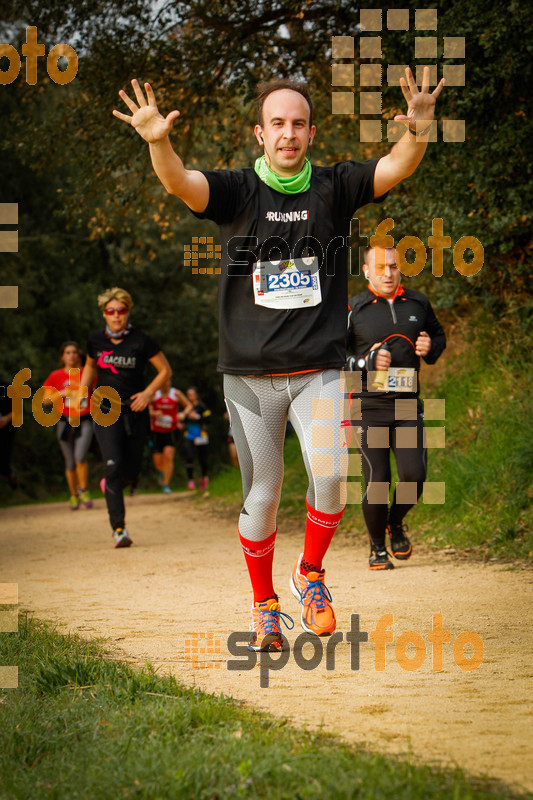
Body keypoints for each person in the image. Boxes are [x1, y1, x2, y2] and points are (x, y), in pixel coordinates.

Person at [113, 67, 445, 648]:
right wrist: (157, 141)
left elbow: (396, 166)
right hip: (248, 377)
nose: (288, 133)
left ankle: (309, 573)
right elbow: (179, 184)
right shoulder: (239, 191)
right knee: (263, 494)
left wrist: (416, 130)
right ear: (259, 134)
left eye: (298, 123)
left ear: (311, 133)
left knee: (332, 478)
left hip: (317, 370)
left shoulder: (335, 187)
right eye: (277, 124)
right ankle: (264, 603)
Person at [346, 246, 446, 570]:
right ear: (367, 271)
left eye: (393, 266)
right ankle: (377, 547)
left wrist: (430, 347)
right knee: (378, 481)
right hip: (368, 407)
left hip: (405, 405)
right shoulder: (354, 308)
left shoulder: (417, 302)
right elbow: (333, 356)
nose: (387, 273)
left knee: (414, 476)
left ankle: (395, 522)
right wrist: (366, 361)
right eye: (380, 267)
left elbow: (437, 335)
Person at [80, 287, 171, 547]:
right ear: (104, 314)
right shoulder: (95, 341)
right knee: (113, 465)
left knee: (131, 469)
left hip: (136, 408)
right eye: (111, 311)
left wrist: (149, 393)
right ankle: (119, 529)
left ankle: (121, 479)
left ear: (128, 312)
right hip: (104, 407)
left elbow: (165, 370)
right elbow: (89, 365)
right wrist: (82, 391)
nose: (116, 316)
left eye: (121, 311)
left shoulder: (141, 341)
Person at [43, 342, 95, 510]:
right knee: (70, 462)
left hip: (84, 419)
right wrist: (62, 393)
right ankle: (73, 495)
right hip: (64, 421)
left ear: (79, 355)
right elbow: (44, 401)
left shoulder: (88, 373)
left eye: (74, 352)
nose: (71, 355)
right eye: (67, 352)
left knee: (80, 457)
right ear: (62, 356)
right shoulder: (55, 376)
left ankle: (84, 490)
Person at [149, 378, 191, 494]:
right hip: (156, 431)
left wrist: (183, 413)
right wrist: (153, 412)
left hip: (171, 430)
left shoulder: (176, 394)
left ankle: (166, 485)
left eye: (166, 382)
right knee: (158, 462)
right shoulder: (154, 394)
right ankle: (162, 472)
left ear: (170, 383)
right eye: (162, 382)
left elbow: (188, 405)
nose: (164, 385)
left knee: (168, 455)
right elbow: (146, 407)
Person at [183, 386, 211, 493]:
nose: (190, 397)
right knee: (189, 456)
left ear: (196, 395)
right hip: (189, 435)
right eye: (188, 395)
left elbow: (208, 419)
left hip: (201, 435)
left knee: (202, 458)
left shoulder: (202, 406)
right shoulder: (186, 407)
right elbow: (182, 418)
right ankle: (190, 481)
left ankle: (204, 478)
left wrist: (198, 417)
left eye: (192, 394)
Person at [0, 376, 18, 489]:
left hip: (6, 429)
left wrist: (6, 419)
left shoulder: (7, 387)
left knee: (3, 457)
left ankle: (10, 473)